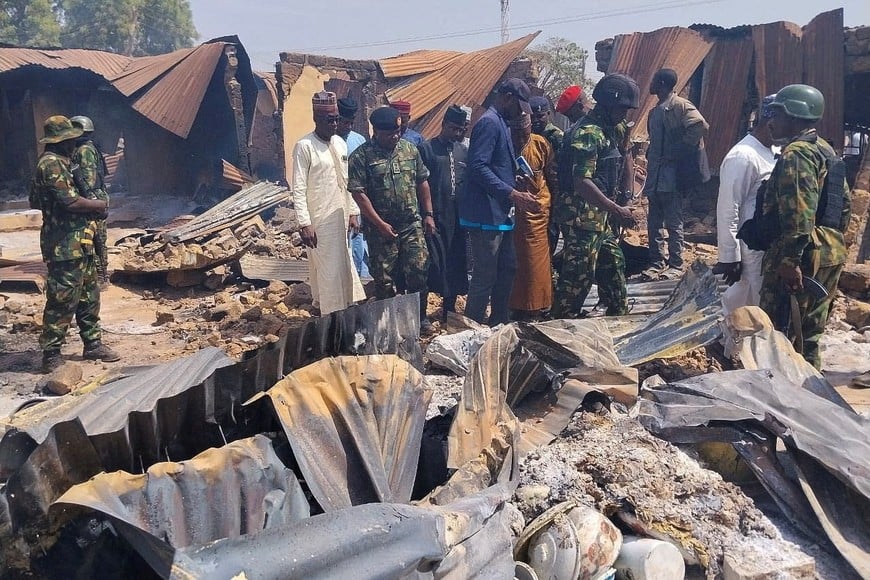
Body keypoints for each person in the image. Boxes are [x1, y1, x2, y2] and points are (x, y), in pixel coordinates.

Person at [759, 84, 851, 369]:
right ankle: (810, 397)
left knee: (780, 333)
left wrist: (790, 260)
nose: (770, 121)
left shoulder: (797, 154)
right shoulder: (824, 149)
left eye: (776, 114)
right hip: (829, 248)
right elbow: (843, 207)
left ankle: (783, 401)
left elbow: (799, 213)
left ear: (794, 115)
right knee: (809, 335)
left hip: (803, 254)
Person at [29, 116, 119, 372]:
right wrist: (100, 205)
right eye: (70, 140)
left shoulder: (62, 162)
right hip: (63, 244)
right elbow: (70, 202)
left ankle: (93, 344)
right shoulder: (50, 164)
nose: (74, 143)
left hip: (81, 241)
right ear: (60, 141)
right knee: (62, 300)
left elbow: (37, 199)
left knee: (89, 296)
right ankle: (52, 354)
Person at [552, 74, 639, 319]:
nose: (625, 114)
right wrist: (616, 210)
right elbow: (582, 183)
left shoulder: (615, 127)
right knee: (578, 276)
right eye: (622, 108)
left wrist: (627, 198)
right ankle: (560, 325)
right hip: (579, 215)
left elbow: (627, 156)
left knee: (614, 263)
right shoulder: (588, 133)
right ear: (608, 104)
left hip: (601, 213)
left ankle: (617, 317)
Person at [348, 106, 436, 332]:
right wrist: (380, 224)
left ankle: (419, 317)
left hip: (411, 225)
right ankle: (388, 324)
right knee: (385, 280)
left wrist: (428, 214)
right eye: (389, 134)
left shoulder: (410, 150)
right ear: (375, 131)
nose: (395, 137)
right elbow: (359, 194)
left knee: (418, 270)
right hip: (380, 230)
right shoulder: (361, 157)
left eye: (397, 132)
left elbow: (422, 181)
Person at [459, 78, 538, 326]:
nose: (521, 112)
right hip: (486, 214)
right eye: (519, 105)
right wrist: (512, 193)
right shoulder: (489, 123)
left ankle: (499, 322)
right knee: (485, 274)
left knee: (507, 268)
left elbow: (493, 164)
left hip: (500, 212)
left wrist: (513, 178)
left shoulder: (501, 122)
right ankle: (472, 328)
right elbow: (478, 167)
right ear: (507, 98)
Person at [291, 91, 366, 316]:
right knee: (328, 270)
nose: (335, 124)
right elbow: (299, 187)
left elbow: (347, 182)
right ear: (316, 119)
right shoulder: (304, 146)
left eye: (336, 119)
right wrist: (304, 223)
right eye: (330, 120)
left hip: (340, 216)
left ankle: (339, 309)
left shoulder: (340, 144)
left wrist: (353, 212)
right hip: (319, 220)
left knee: (341, 266)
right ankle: (332, 316)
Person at [642, 68, 709, 279]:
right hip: (655, 177)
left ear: (661, 83)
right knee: (654, 223)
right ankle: (656, 263)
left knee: (673, 222)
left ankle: (676, 265)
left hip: (672, 177)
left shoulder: (680, 105)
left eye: (654, 80)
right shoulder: (655, 111)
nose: (651, 84)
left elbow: (700, 126)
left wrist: (678, 151)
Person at [714, 95, 777, 312]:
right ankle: (727, 344)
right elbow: (728, 208)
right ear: (771, 123)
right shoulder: (743, 156)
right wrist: (730, 257)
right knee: (745, 308)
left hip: (766, 246)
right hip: (749, 249)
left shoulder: (773, 152)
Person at [418, 104, 470, 321]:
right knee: (431, 265)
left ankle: (449, 311)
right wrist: (427, 215)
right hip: (434, 217)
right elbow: (420, 184)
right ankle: (421, 315)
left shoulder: (463, 150)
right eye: (452, 128)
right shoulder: (427, 149)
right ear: (443, 125)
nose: (456, 134)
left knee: (455, 262)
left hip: (458, 218)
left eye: (460, 130)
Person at [509, 112, 557, 320]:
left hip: (537, 212)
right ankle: (514, 305)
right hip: (511, 214)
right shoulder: (505, 144)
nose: (520, 139)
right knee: (513, 262)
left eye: (524, 134)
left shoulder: (541, 144)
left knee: (534, 262)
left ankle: (537, 307)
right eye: (516, 133)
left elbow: (552, 176)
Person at [69, 115, 110, 285]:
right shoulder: (90, 147)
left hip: (93, 197)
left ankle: (101, 277)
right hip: (96, 196)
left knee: (95, 238)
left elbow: (89, 179)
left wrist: (89, 201)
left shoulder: (84, 150)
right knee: (96, 237)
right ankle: (101, 275)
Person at [337, 96, 371, 279]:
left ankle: (359, 277)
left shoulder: (359, 141)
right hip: (334, 200)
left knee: (357, 238)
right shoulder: (328, 139)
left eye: (351, 123)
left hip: (356, 200)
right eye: (344, 122)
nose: (347, 126)